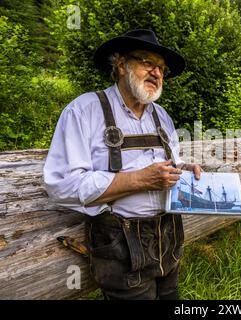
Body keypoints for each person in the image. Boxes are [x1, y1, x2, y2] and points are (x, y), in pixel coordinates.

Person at [43, 29, 201, 300]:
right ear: (121, 64)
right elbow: (62, 186)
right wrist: (140, 180)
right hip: (120, 248)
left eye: (161, 68)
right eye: (147, 63)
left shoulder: (162, 117)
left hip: (169, 239)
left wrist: (182, 169)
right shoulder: (84, 111)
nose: (157, 73)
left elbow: (169, 163)